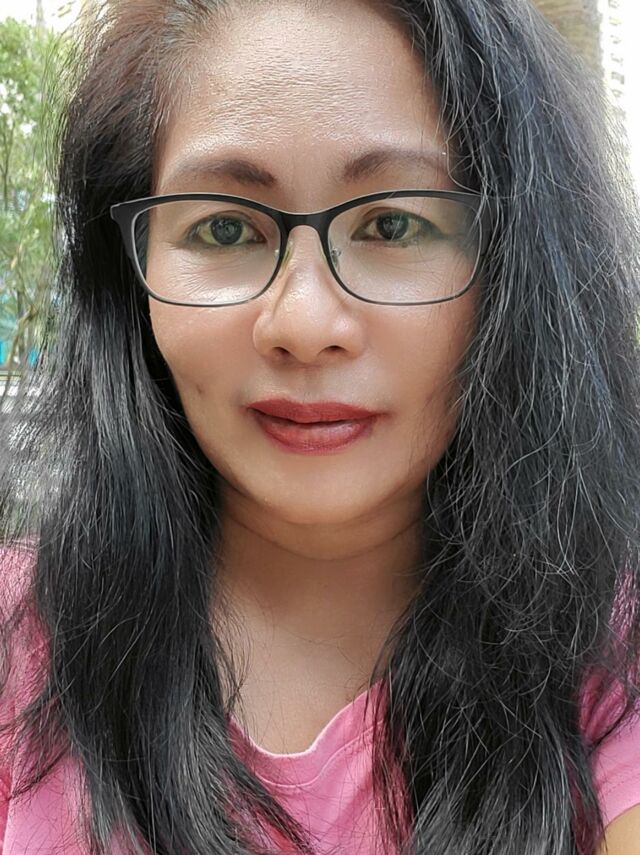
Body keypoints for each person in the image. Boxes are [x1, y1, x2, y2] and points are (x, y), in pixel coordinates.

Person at [1, 0, 639, 852]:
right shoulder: (17, 643)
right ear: (134, 274)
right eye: (225, 227)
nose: (304, 323)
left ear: (513, 265)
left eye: (393, 223)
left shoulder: (611, 647)